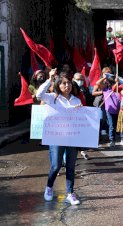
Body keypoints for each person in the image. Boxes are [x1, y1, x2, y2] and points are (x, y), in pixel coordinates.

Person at [36, 68, 81, 205]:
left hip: (71, 137)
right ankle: (49, 187)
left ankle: (70, 193)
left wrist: (80, 111)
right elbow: (39, 95)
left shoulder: (76, 100)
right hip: (56, 137)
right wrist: (49, 79)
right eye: (63, 83)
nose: (66, 86)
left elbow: (81, 120)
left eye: (68, 83)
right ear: (58, 85)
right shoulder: (52, 98)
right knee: (56, 165)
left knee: (71, 166)